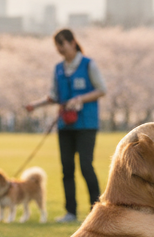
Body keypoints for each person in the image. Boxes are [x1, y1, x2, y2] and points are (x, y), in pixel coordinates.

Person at [26, 29, 107, 224]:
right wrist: (35, 105)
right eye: (57, 46)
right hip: (65, 125)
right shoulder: (59, 68)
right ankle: (70, 212)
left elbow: (101, 90)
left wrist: (80, 98)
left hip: (86, 124)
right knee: (67, 168)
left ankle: (96, 211)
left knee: (86, 166)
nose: (59, 49)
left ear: (72, 43)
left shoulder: (88, 65)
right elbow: (54, 95)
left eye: (61, 44)